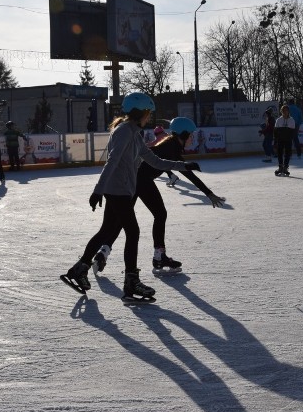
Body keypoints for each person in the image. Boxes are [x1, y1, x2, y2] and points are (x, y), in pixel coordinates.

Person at [61, 93, 200, 302]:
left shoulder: (134, 133)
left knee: (106, 231)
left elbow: (154, 160)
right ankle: (131, 282)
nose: (149, 117)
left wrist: (183, 165)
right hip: (117, 190)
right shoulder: (124, 132)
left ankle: (79, 269)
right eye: (148, 113)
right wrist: (98, 189)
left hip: (121, 189)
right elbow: (112, 160)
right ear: (140, 112)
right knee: (132, 232)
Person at [92, 116, 225, 277]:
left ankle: (103, 253)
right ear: (183, 134)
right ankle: (159, 257)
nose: (193, 138)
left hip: (134, 180)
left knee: (122, 221)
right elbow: (187, 174)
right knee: (159, 214)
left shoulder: (170, 144)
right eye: (191, 135)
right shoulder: (171, 147)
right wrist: (209, 193)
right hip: (140, 180)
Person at [274, 105, 296, 176]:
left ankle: (285, 167)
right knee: (279, 153)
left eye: (286, 110)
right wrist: (275, 140)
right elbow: (275, 131)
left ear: (288, 111)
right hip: (280, 140)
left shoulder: (292, 120)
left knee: (287, 154)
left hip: (288, 140)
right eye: (283, 111)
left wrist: (291, 138)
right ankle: (280, 167)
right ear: (281, 111)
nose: (285, 112)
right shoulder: (278, 120)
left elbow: (293, 132)